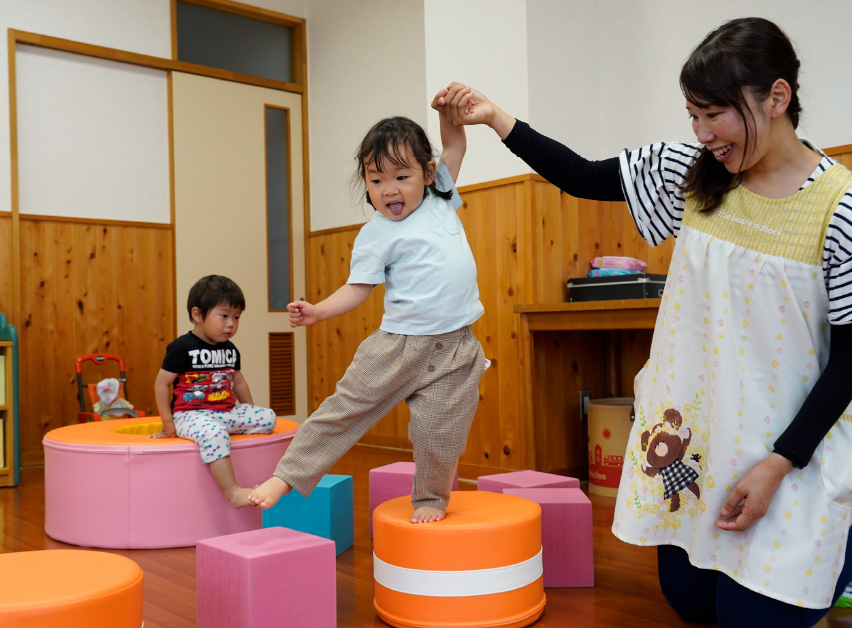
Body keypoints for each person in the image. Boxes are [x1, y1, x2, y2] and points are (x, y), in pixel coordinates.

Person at [436, 16, 852, 628]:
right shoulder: (692, 171)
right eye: (693, 115)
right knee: (689, 602)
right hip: (704, 437)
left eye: (716, 114)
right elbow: (579, 176)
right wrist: (498, 118)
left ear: (778, 98)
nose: (703, 132)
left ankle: (840, 548)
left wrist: (778, 463)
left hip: (790, 449)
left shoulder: (839, 206)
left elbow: (849, 360)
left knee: (749, 619)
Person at [249, 95, 488, 524]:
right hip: (397, 347)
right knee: (344, 411)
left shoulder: (440, 199)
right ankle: (286, 476)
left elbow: (456, 147)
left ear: (428, 174)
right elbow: (357, 288)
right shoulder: (376, 234)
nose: (389, 189)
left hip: (456, 348)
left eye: (401, 176)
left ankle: (431, 499)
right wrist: (319, 311)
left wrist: (445, 116)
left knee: (440, 434)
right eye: (376, 181)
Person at [150, 275, 277, 508]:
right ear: (198, 315)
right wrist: (168, 423)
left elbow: (238, 381)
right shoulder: (181, 347)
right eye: (224, 316)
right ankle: (233, 492)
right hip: (191, 414)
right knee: (214, 433)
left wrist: (250, 407)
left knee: (268, 417)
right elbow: (161, 384)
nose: (231, 324)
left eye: (237, 317)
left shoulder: (230, 349)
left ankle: (225, 430)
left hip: (225, 412)